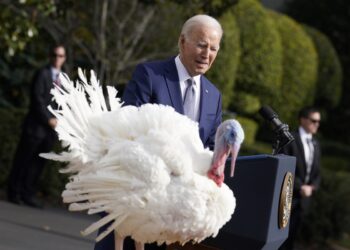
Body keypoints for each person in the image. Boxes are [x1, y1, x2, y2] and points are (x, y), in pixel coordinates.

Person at [95, 14, 224, 250]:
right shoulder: (150, 75)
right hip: (133, 198)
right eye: (202, 44)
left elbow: (210, 148)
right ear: (182, 42)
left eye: (214, 48)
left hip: (174, 214)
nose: (207, 54)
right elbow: (127, 130)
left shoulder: (214, 96)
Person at [7, 44, 66, 208]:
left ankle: (28, 193)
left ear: (64, 58)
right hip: (35, 128)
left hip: (50, 132)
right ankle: (14, 191)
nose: (57, 58)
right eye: (55, 55)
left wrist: (59, 120)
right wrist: (49, 119)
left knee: (38, 164)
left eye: (60, 56)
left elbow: (64, 103)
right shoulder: (43, 74)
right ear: (50, 56)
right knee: (23, 160)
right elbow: (37, 100)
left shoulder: (64, 78)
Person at [280, 107, 322, 250]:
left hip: (304, 201)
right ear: (303, 120)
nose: (317, 124)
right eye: (314, 120)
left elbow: (317, 173)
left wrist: (312, 187)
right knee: (280, 235)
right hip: (287, 197)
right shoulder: (290, 139)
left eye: (318, 121)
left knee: (293, 237)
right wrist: (300, 186)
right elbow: (284, 167)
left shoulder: (316, 144)